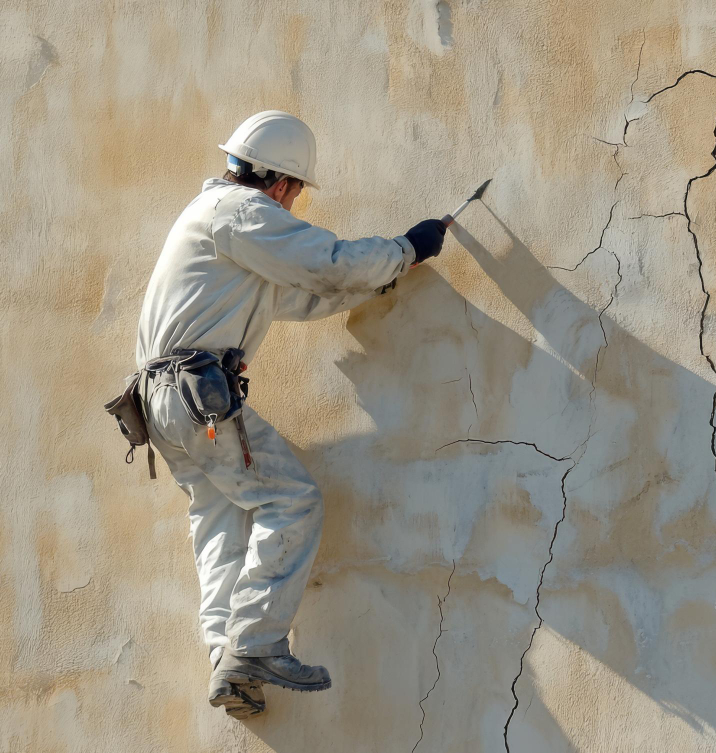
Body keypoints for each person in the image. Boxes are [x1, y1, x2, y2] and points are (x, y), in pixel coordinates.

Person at [134, 111, 446, 718]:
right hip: (195, 393)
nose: (296, 201)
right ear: (277, 181)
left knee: (222, 520)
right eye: (297, 189)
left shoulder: (221, 227)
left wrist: (386, 277)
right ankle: (253, 645)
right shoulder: (242, 215)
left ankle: (227, 657)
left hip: (166, 404)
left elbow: (304, 293)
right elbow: (325, 260)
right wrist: (405, 249)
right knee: (293, 501)